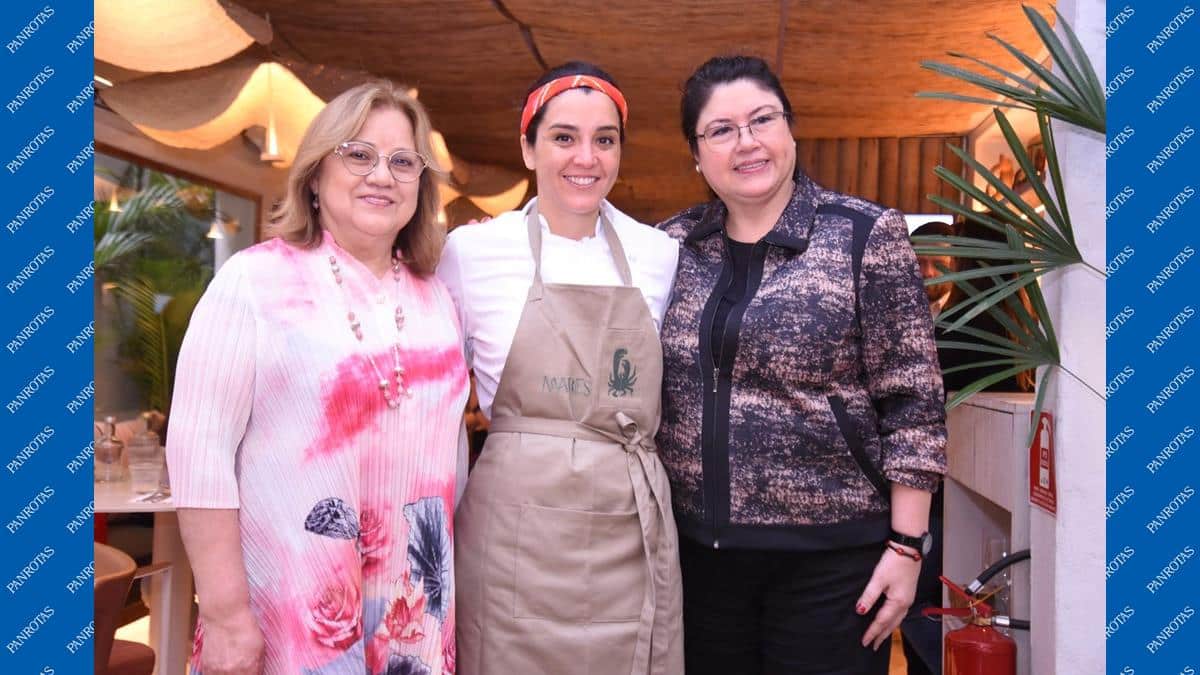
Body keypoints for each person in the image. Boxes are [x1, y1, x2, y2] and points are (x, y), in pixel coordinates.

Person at [655, 55, 947, 674]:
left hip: (833, 564)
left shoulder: (865, 234)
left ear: (789, 128)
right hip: (698, 563)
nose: (747, 142)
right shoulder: (669, 247)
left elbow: (914, 403)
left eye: (762, 119)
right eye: (721, 130)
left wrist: (907, 546)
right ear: (697, 155)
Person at [167, 81, 468, 675]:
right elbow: (198, 453)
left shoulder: (436, 297)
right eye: (358, 154)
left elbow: (450, 448)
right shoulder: (254, 282)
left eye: (402, 161)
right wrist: (225, 615)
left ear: (420, 184)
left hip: (415, 613)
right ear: (314, 173)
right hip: (288, 611)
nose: (381, 175)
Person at [438, 62, 684, 675]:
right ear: (528, 148)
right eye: (564, 137)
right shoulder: (471, 252)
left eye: (605, 139)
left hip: (627, 530)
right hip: (512, 536)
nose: (586, 158)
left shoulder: (659, 254)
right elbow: (435, 404)